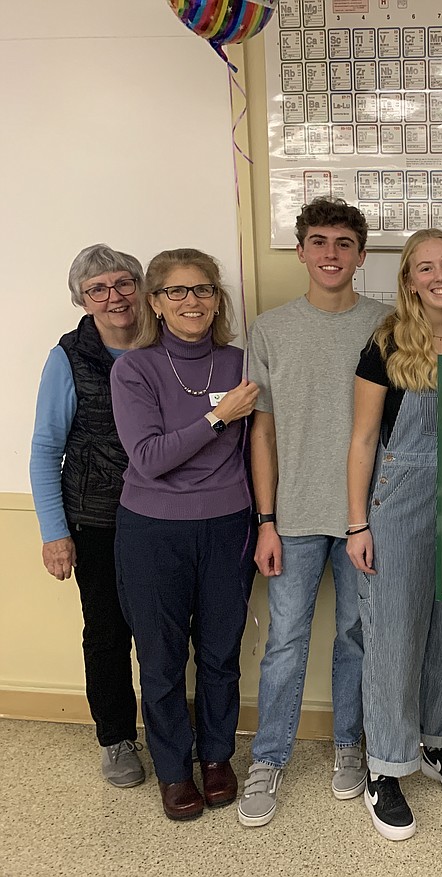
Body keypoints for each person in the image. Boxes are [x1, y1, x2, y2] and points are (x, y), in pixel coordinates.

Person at [237, 199, 389, 828]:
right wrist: (266, 519)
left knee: (358, 639)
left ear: (360, 255)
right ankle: (269, 758)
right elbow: (262, 433)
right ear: (300, 251)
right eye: (319, 241)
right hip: (293, 519)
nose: (331, 253)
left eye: (345, 242)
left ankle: (350, 746)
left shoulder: (387, 324)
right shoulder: (270, 329)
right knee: (286, 642)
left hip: (367, 517)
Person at [346, 229, 442, 841]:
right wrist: (358, 522)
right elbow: (362, 439)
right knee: (393, 637)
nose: (439, 276)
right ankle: (386, 766)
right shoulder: (386, 344)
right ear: (408, 280)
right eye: (424, 268)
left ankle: (437, 742)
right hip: (398, 502)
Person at [111, 249, 258, 821]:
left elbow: (258, 451)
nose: (191, 301)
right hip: (152, 530)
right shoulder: (136, 368)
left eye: (202, 290)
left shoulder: (241, 362)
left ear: (217, 299)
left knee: (221, 653)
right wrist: (219, 417)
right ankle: (174, 770)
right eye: (176, 291)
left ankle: (217, 758)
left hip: (228, 527)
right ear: (155, 302)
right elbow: (148, 459)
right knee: (163, 658)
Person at [30, 244, 146, 789]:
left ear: (140, 288)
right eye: (97, 289)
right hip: (95, 519)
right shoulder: (69, 357)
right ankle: (117, 739)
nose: (113, 297)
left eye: (123, 283)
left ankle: (173, 733)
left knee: (167, 632)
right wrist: (54, 533)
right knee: (106, 634)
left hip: (161, 518)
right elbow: (44, 448)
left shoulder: (164, 343)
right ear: (81, 298)